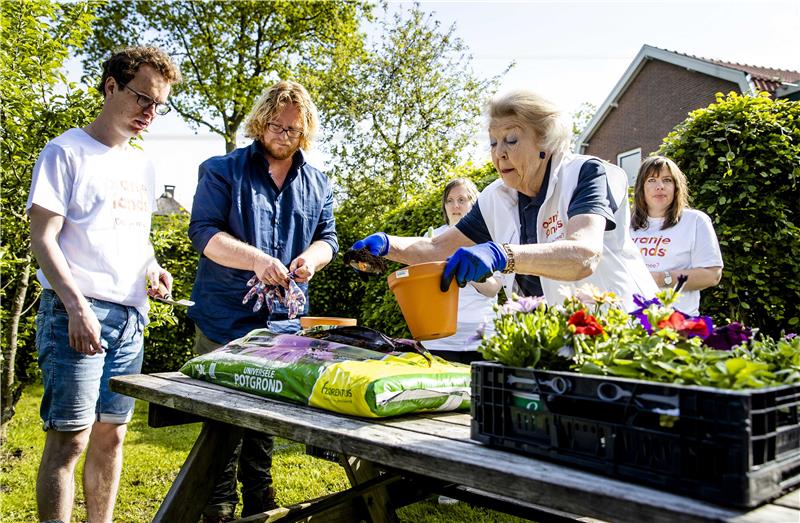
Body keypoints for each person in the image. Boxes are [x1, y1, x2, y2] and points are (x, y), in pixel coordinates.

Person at [27, 46, 181, 523]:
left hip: (131, 317)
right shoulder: (64, 151)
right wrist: (75, 307)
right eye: (143, 99)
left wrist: (153, 268)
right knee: (69, 439)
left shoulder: (143, 165)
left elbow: (136, 239)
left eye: (159, 105)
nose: (150, 113)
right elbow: (43, 238)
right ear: (111, 85)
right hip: (76, 314)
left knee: (112, 434)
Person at [352, 90, 657, 310]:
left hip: (626, 329)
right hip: (560, 338)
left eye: (511, 139)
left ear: (545, 142)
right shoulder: (495, 197)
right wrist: (388, 244)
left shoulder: (586, 174)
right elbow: (437, 247)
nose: (499, 153)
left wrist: (503, 255)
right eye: (493, 142)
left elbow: (584, 255)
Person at [187, 80, 338, 522]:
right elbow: (204, 234)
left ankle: (260, 499)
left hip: (281, 325)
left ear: (304, 131)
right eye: (275, 125)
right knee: (221, 420)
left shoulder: (317, 183)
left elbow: (327, 238)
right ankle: (216, 506)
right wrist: (255, 260)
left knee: (264, 418)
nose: (282, 135)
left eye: (293, 130)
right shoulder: (221, 170)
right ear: (261, 121)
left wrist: (311, 259)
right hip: (223, 317)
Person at [629, 156, 723, 315]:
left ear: (676, 187)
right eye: (651, 180)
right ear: (641, 187)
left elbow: (712, 275)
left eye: (667, 180)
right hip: (631, 322)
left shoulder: (695, 221)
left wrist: (662, 278)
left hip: (678, 323)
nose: (660, 186)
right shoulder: (625, 224)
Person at [421, 178, 500, 363]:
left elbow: (493, 288)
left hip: (481, 336)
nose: (455, 205)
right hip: (438, 338)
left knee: (481, 392)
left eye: (462, 200)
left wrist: (469, 269)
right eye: (450, 200)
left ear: (474, 204)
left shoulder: (490, 238)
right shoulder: (432, 238)